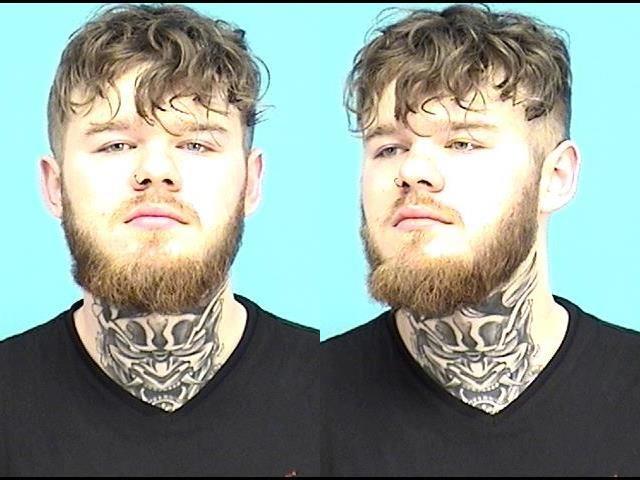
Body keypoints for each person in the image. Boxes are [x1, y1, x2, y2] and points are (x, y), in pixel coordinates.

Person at [321, 4, 640, 476]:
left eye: (463, 142)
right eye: (389, 148)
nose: (413, 170)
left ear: (555, 178)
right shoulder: (295, 407)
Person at [0, 4, 318, 476]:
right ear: (54, 186)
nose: (155, 171)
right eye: (115, 144)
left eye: (195, 144)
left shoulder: (335, 390)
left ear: (251, 183)